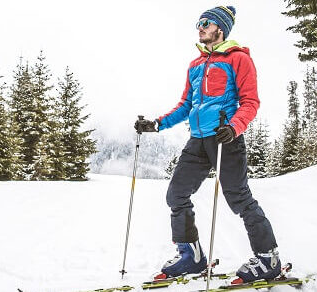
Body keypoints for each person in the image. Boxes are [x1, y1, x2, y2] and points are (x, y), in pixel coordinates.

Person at [134, 6, 281, 283]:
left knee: (239, 199)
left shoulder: (239, 60)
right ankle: (191, 255)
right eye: (199, 23)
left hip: (226, 138)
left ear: (220, 28)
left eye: (206, 23)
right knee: (176, 195)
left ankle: (268, 258)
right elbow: (186, 105)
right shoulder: (196, 65)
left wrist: (234, 127)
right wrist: (156, 124)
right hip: (198, 140)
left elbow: (250, 102)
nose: (199, 27)